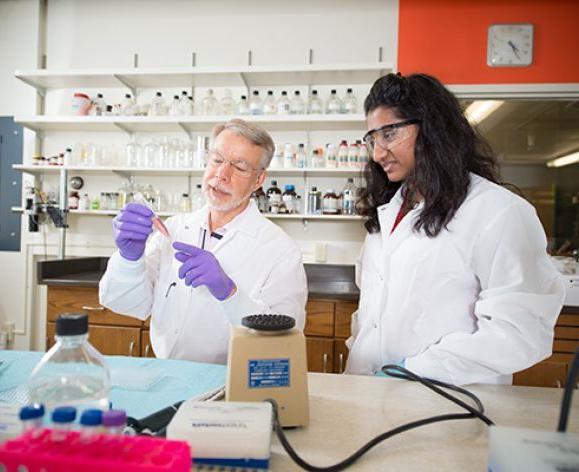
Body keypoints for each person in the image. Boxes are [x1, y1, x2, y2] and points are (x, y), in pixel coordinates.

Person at [345, 73, 565, 385]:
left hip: (447, 405)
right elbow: (370, 316)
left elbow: (520, 333)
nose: (378, 153)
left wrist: (413, 370)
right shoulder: (387, 213)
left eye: (390, 134)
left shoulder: (497, 211)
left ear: (433, 129)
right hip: (367, 395)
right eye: (372, 139)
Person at [99, 119, 307, 363]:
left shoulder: (280, 250)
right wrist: (129, 259)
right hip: (169, 375)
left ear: (259, 180)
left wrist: (229, 292)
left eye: (239, 167)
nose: (221, 174)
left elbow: (283, 345)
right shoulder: (174, 229)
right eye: (217, 160)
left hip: (234, 385)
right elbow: (125, 304)